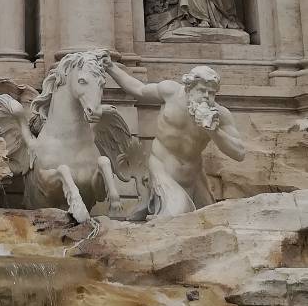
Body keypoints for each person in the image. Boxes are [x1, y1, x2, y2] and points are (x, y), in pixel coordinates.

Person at [104, 57, 245, 217]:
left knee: (210, 218)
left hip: (193, 177)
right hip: (162, 169)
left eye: (211, 93)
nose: (206, 97)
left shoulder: (220, 115)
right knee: (177, 214)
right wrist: (111, 67)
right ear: (188, 88)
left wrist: (214, 131)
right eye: (201, 90)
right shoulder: (170, 92)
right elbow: (139, 89)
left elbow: (239, 153)